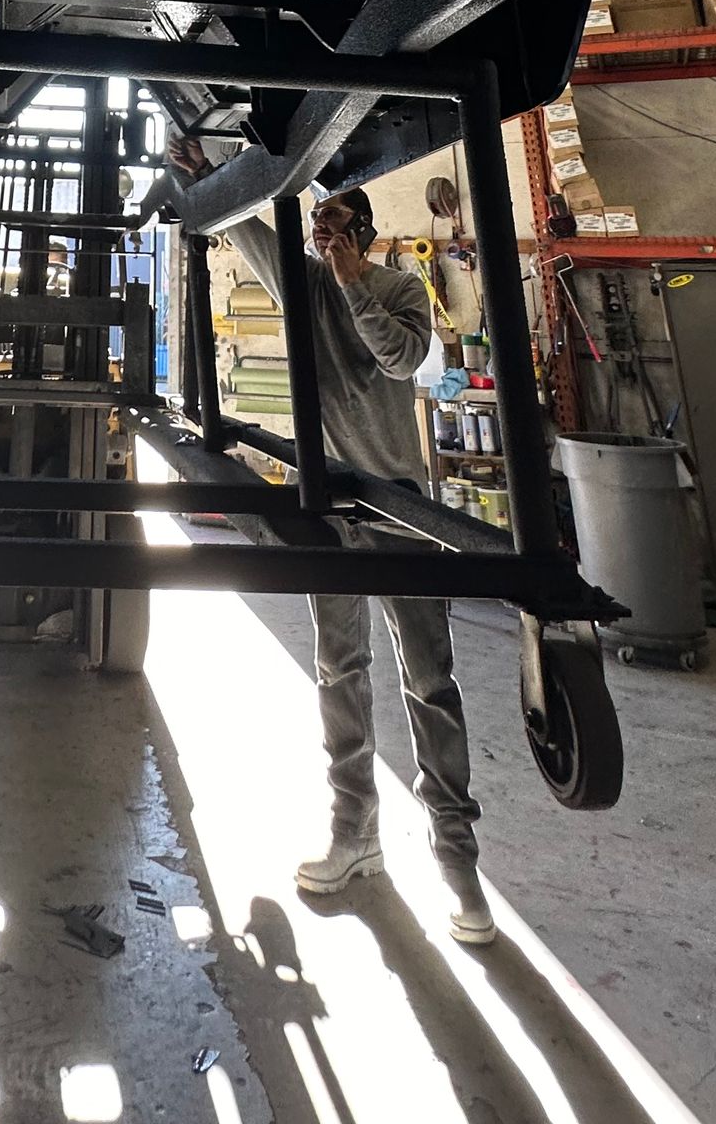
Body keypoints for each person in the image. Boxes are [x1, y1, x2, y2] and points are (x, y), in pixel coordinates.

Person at [168, 134, 494, 947]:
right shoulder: (305, 280)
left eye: (341, 225)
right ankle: (356, 835)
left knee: (430, 682)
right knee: (338, 670)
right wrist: (212, 177)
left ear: (367, 233)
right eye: (321, 227)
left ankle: (457, 862)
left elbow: (398, 359)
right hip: (333, 510)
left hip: (403, 510)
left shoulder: (399, 288)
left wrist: (353, 283)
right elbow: (249, 230)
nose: (326, 236)